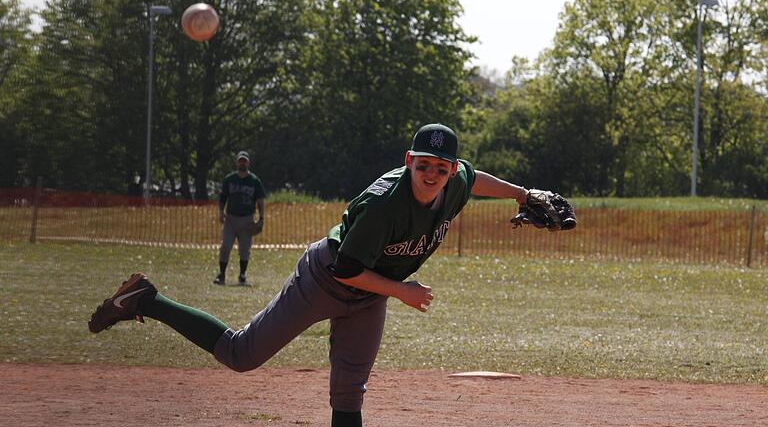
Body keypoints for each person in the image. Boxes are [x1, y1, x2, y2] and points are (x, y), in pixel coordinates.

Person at [88, 124, 531, 427]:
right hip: (325, 279)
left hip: (370, 295)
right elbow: (348, 269)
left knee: (349, 391)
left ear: (451, 168)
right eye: (424, 165)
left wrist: (523, 196)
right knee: (241, 354)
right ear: (408, 160)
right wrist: (401, 292)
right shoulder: (384, 206)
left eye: (442, 167)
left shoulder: (456, 180)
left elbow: (475, 180)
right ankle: (146, 299)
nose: (433, 174)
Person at [214, 150, 266, 286]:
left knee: (244, 249)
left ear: (248, 162)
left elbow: (260, 200)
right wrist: (220, 211)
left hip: (247, 220)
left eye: (244, 161)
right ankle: (222, 275)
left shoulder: (254, 181)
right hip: (231, 219)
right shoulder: (229, 179)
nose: (242, 163)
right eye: (240, 160)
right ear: (237, 162)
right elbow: (223, 197)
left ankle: (242, 275)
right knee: (225, 246)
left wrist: (261, 218)